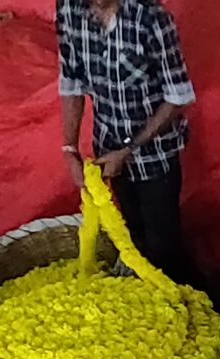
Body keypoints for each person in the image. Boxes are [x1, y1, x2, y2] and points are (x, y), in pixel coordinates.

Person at [58, 0, 196, 279]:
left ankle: (181, 291)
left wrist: (129, 149)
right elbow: (71, 81)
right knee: (132, 232)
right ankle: (144, 288)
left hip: (154, 153)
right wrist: (70, 148)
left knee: (163, 243)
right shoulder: (69, 9)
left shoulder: (151, 18)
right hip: (108, 144)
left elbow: (177, 96)